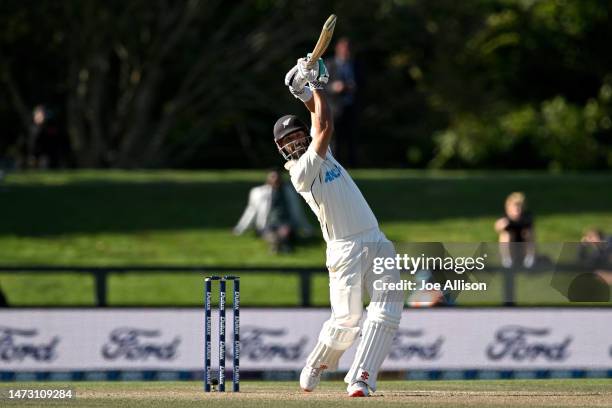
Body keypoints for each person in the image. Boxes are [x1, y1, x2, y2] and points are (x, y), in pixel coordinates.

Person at [279, 56, 402, 397]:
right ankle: (317, 363)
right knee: (347, 321)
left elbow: (319, 121)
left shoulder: (324, 154)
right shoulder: (300, 172)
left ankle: (361, 376)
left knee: (388, 307)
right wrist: (315, 86)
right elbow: (325, 127)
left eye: (297, 136)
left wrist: (302, 90)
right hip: (344, 249)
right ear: (282, 151)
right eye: (288, 142)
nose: (295, 143)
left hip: (375, 239)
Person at [233, 170, 313, 253]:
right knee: (271, 235)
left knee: (285, 232)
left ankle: (282, 245)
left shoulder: (289, 192)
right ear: (268, 179)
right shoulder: (258, 192)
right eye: (272, 177)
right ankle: (279, 245)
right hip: (267, 224)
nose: (275, 179)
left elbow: (297, 211)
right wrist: (239, 229)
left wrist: (307, 228)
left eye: (277, 177)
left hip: (285, 223)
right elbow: (250, 212)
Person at [325, 38, 360, 166]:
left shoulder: (356, 65)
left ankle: (353, 166)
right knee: (335, 140)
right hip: (334, 109)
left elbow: (364, 84)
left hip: (351, 107)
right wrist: (335, 87)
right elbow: (321, 86)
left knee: (351, 139)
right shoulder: (329, 64)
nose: (347, 52)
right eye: (344, 49)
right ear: (338, 50)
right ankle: (335, 165)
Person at [494, 192, 536, 268]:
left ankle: (529, 258)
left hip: (523, 246)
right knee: (505, 235)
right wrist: (500, 226)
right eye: (515, 207)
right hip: (512, 247)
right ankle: (507, 260)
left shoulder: (526, 217)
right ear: (508, 208)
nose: (517, 209)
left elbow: (530, 230)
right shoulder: (505, 218)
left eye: (520, 207)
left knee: (529, 233)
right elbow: (497, 227)